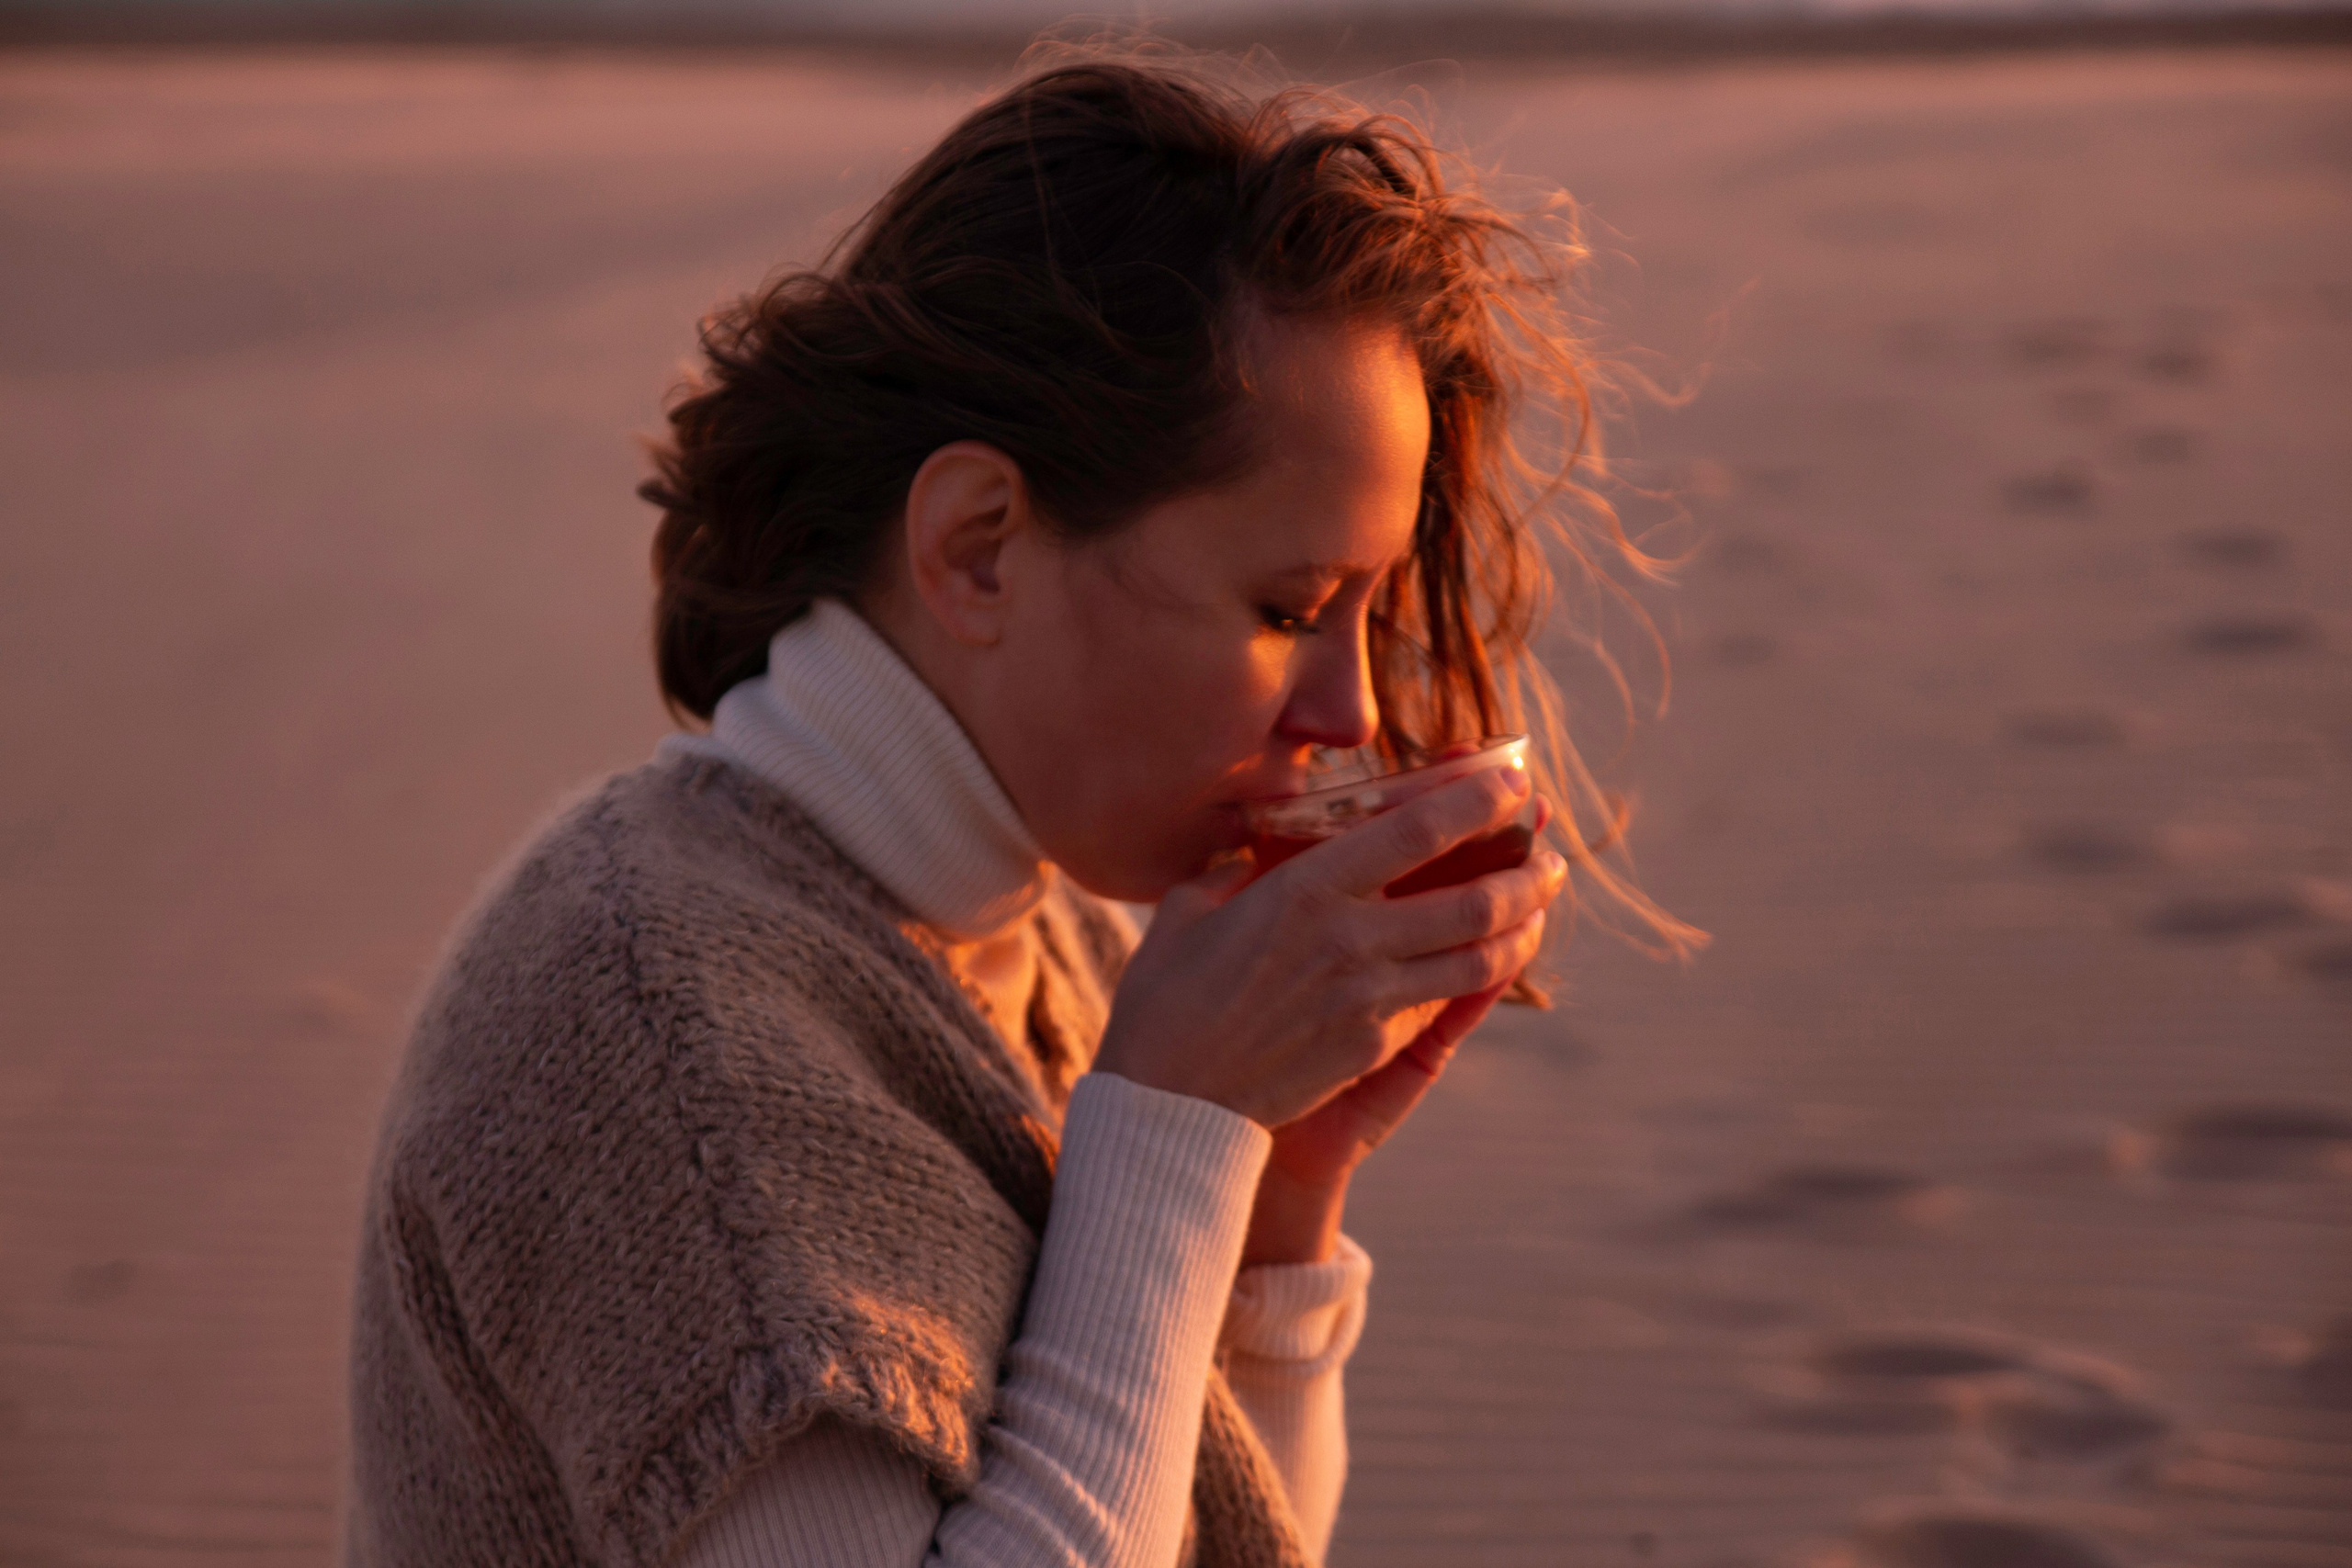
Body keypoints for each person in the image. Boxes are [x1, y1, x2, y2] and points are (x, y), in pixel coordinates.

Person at [344, 52, 1683, 1568]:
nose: (1351, 714)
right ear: (978, 547)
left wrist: (1272, 1209)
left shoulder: (1034, 936)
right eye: (1292, 605)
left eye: (1370, 619)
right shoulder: (646, 1016)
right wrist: (1172, 1127)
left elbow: (1226, 1538)